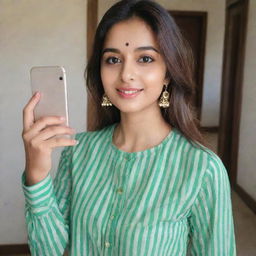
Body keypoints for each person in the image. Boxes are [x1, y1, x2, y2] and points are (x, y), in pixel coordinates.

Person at [21, 0, 236, 255]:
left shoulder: (202, 169)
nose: (126, 74)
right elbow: (47, 250)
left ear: (168, 72)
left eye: (145, 58)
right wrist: (36, 174)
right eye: (113, 59)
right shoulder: (77, 153)